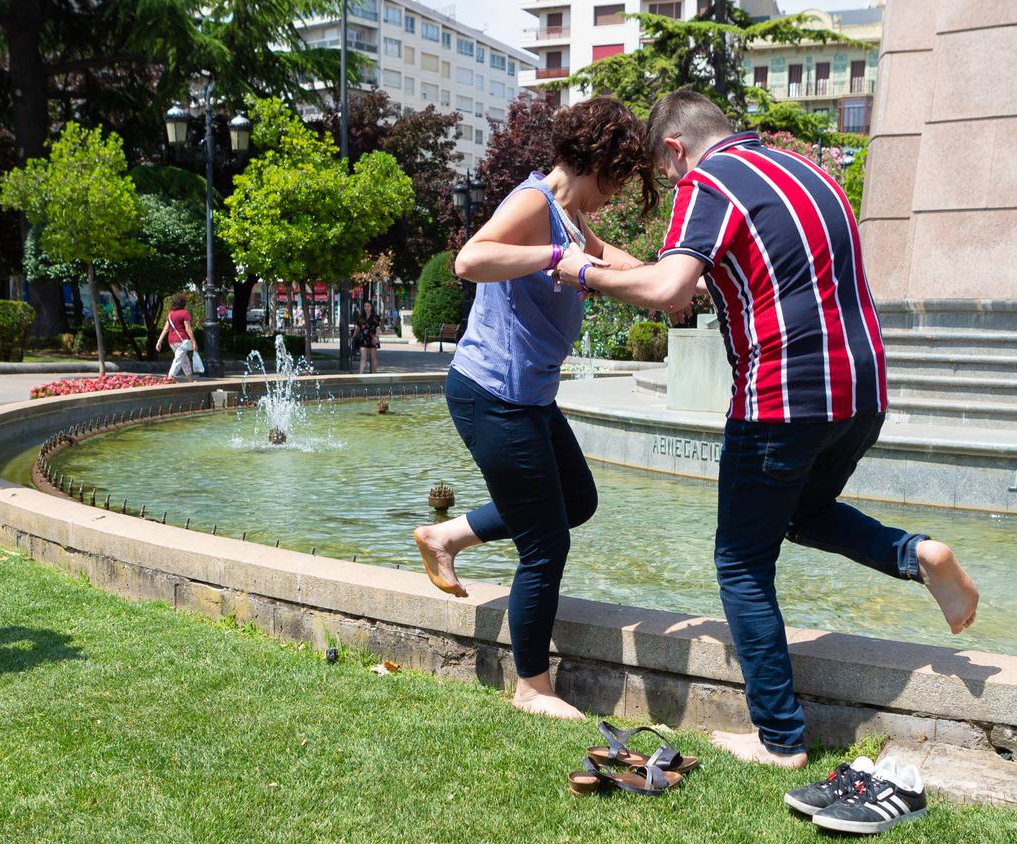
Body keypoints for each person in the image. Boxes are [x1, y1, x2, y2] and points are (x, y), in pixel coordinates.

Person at [556, 90, 980, 767]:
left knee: (741, 562)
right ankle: (916, 555)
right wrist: (601, 253)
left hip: (783, 396)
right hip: (862, 390)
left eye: (665, 173)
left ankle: (779, 737)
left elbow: (669, 296)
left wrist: (578, 270)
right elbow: (689, 283)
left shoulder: (707, 180)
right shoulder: (806, 170)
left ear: (673, 149)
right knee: (803, 511)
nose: (670, 186)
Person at [412, 97, 689, 720]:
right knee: (546, 544)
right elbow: (470, 259)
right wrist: (552, 259)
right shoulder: (536, 202)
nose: (614, 194)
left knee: (578, 501)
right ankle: (532, 687)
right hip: (492, 395)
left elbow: (608, 256)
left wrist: (671, 278)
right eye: (616, 179)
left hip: (527, 398)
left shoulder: (568, 215)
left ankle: (446, 535)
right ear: (596, 162)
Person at [157, 292, 201, 380]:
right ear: (183, 303)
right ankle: (170, 377)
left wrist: (159, 341)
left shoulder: (170, 314)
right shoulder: (185, 313)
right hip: (182, 341)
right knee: (178, 359)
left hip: (172, 342)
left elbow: (166, 328)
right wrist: (194, 342)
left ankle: (190, 379)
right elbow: (188, 328)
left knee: (184, 359)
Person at [353, 298, 383, 373]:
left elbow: (378, 327)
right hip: (363, 338)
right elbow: (358, 328)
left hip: (373, 338)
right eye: (365, 306)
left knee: (373, 357)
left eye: (368, 306)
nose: (366, 308)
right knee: (363, 357)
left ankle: (374, 374)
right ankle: (360, 374)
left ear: (371, 307)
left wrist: (376, 337)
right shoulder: (361, 317)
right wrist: (353, 336)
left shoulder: (375, 317)